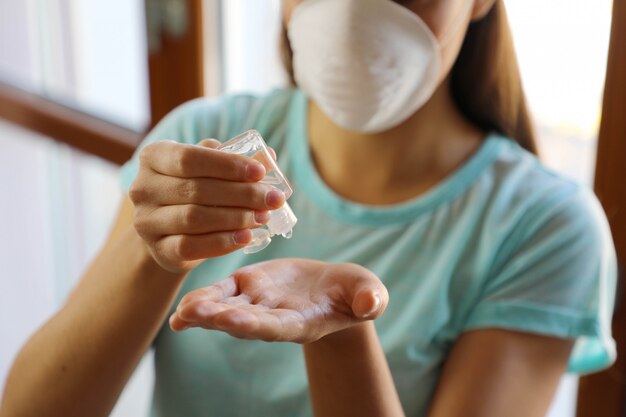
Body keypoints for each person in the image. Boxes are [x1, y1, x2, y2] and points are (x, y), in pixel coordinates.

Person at [1, 0, 617, 416]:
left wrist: (340, 336)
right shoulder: (204, 135)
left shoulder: (544, 227)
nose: (355, 12)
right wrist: (154, 248)